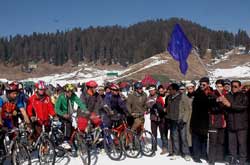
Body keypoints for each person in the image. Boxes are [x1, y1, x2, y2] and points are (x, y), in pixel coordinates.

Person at [220, 80, 249, 165]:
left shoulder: (244, 96)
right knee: (231, 146)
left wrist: (230, 105)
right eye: (232, 86)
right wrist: (222, 103)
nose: (233, 88)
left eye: (235, 86)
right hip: (231, 125)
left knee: (242, 145)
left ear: (240, 87)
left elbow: (243, 107)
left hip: (241, 126)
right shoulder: (228, 95)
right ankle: (232, 161)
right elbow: (225, 109)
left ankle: (242, 162)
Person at [55, 83, 87, 149]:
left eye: (71, 91)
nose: (70, 93)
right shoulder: (61, 97)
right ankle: (65, 141)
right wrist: (63, 114)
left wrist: (85, 109)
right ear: (65, 92)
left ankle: (72, 141)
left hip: (69, 114)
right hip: (61, 114)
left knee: (73, 127)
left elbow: (79, 102)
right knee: (67, 124)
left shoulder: (73, 96)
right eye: (68, 92)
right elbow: (56, 108)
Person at [166, 83, 192, 161]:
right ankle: (176, 152)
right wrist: (168, 118)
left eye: (170, 89)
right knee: (175, 137)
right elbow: (168, 109)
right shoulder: (169, 97)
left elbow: (188, 109)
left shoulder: (183, 96)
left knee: (184, 138)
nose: (169, 91)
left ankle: (186, 153)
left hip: (181, 121)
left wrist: (184, 120)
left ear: (175, 90)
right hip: (173, 120)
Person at [190, 77, 213, 163]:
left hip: (205, 120)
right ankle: (196, 156)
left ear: (208, 84)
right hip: (196, 120)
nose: (202, 86)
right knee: (196, 139)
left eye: (204, 84)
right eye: (200, 84)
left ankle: (204, 154)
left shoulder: (211, 93)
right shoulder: (197, 93)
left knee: (204, 138)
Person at [207, 79, 227, 165]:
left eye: (220, 86)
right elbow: (210, 106)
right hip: (213, 122)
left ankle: (219, 158)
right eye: (217, 86)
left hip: (223, 122)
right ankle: (211, 160)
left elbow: (228, 109)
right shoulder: (212, 94)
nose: (219, 88)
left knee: (221, 142)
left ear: (223, 87)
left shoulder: (226, 94)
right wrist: (217, 101)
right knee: (212, 142)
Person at [150, 85, 169, 154]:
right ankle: (154, 147)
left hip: (162, 118)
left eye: (162, 90)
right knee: (154, 133)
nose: (161, 92)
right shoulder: (151, 97)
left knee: (163, 133)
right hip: (153, 117)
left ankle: (165, 147)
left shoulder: (166, 96)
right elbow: (148, 104)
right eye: (159, 91)